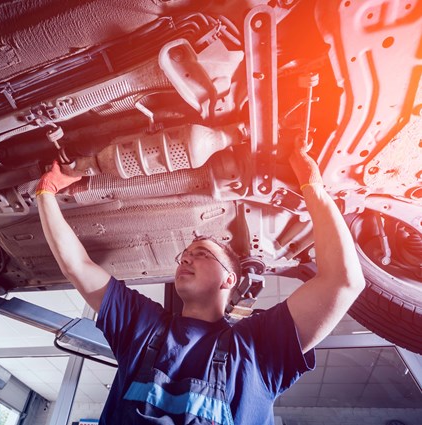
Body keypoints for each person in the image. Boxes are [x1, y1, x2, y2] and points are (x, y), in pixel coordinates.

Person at [36, 142, 365, 424]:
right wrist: (46, 192)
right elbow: (77, 265)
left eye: (201, 254)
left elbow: (343, 281)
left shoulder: (258, 348)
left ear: (229, 279)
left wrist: (314, 189)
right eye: (185, 256)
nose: (186, 259)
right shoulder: (143, 326)